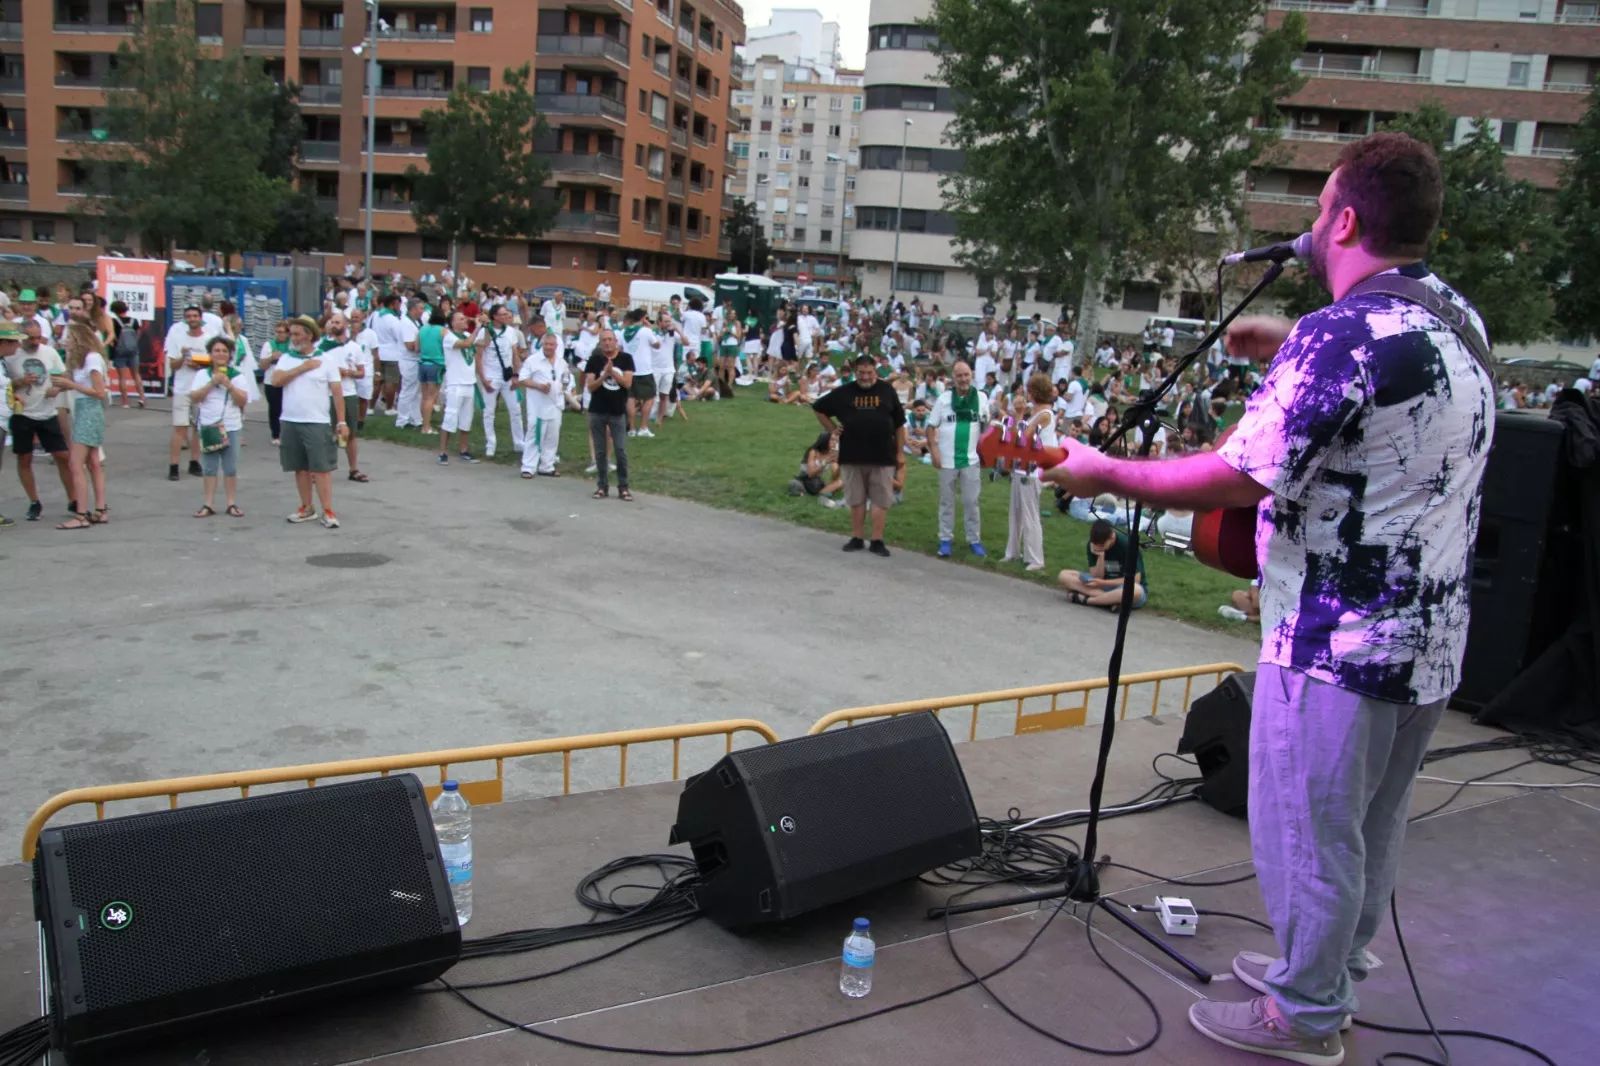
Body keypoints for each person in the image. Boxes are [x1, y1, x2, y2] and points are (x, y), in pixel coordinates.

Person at [1044, 133, 1493, 1066]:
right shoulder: (1455, 317)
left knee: (1307, 833)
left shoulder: (1342, 334)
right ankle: (1330, 970)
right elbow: (1389, 379)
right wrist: (1290, 341)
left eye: (1319, 209)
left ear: (1345, 220)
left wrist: (1106, 472)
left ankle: (1305, 1017)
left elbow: (1236, 476)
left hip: (1336, 643)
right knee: (1370, 825)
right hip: (1430, 644)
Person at [812, 353, 905, 557]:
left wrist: (900, 452)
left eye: (869, 373)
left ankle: (877, 540)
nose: (865, 377)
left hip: (883, 455)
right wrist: (833, 429)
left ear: (875, 371)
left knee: (881, 499)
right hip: (852, 454)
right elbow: (818, 408)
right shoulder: (844, 392)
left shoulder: (887, 390)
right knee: (856, 499)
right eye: (861, 373)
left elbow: (899, 424)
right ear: (855, 372)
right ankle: (857, 537)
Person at [270, 315, 346, 528]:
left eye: (296, 334)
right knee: (300, 467)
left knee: (321, 468)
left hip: (317, 421)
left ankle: (328, 510)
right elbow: (276, 381)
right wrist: (303, 367)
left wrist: (341, 423)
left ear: (309, 335)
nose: (292, 338)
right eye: (291, 334)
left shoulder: (327, 360)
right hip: (290, 420)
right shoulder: (287, 358)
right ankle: (306, 507)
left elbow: (337, 393)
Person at [927, 359, 991, 558]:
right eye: (959, 376)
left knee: (971, 501)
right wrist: (934, 451)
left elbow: (986, 427)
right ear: (952, 378)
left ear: (971, 375)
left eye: (966, 375)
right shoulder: (944, 399)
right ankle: (945, 538)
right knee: (947, 501)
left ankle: (974, 539)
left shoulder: (981, 398)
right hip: (947, 460)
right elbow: (931, 427)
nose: (963, 379)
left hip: (970, 460)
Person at [52, 324, 109, 530]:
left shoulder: (93, 358)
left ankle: (81, 514)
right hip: (85, 409)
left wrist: (71, 386)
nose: (66, 341)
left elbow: (99, 391)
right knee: (93, 461)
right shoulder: (80, 360)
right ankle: (100, 509)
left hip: (89, 410)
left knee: (76, 464)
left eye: (69, 338)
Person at [188, 336, 249, 518]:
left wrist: (229, 385)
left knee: (230, 467)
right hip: (208, 426)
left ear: (229, 355)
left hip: (231, 425)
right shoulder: (202, 375)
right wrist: (212, 383)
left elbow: (242, 400)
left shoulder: (237, 376)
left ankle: (231, 503)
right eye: (216, 351)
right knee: (209, 467)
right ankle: (209, 503)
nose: (220, 354)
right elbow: (195, 397)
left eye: (224, 351)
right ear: (210, 354)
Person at [1003, 374, 1058, 571]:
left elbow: (1023, 437)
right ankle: (1012, 552)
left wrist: (1019, 414)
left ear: (1035, 392)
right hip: (1021, 467)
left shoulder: (1045, 415)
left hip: (1033, 471)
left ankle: (1036, 558)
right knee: (1016, 512)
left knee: (1030, 514)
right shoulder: (1036, 414)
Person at [162, 306, 212, 481]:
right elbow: (173, 365)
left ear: (200, 318)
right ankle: (174, 465)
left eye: (194, 316)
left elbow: (213, 364)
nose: (192, 319)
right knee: (180, 428)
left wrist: (198, 365)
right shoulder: (177, 337)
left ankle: (194, 461)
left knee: (198, 428)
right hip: (182, 388)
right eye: (188, 316)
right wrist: (183, 358)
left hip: (200, 388)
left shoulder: (208, 339)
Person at [584, 326, 634, 500]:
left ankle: (623, 487)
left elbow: (627, 383)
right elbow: (590, 387)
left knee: (620, 450)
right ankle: (602, 486)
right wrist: (604, 375)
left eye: (609, 339)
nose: (607, 343)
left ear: (615, 342)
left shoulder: (626, 359)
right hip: (597, 410)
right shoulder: (594, 360)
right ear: (600, 343)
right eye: (603, 340)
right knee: (600, 451)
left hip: (617, 411)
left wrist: (612, 371)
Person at [320, 312, 369, 481]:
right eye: (332, 321)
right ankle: (320, 469)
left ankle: (353, 469)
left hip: (349, 393)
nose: (334, 325)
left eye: (337, 322)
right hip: (328, 394)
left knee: (351, 433)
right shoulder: (324, 346)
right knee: (326, 433)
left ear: (345, 325)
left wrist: (352, 372)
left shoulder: (354, 347)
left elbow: (362, 372)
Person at [1057, 518, 1147, 609]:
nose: (1097, 547)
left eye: (1101, 545)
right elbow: (1096, 576)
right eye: (1095, 544)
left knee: (1135, 590)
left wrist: (1103, 582)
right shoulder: (1093, 544)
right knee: (1064, 575)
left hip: (1122, 586)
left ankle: (1088, 600)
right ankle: (1110, 600)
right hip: (1101, 585)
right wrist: (1100, 556)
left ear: (1111, 537)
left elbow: (1135, 580)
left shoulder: (1128, 545)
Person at [476, 303, 527, 458]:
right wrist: (483, 379)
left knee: (516, 410)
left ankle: (519, 443)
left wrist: (516, 375)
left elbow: (514, 355)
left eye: (507, 314)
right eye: (503, 314)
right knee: (489, 412)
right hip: (491, 375)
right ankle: (491, 443)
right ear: (495, 316)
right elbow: (478, 357)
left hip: (507, 376)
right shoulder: (484, 332)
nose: (506, 316)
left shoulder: (511, 332)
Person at [519, 331, 570, 478]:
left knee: (552, 435)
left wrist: (564, 386)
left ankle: (547, 466)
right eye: (546, 344)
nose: (548, 347)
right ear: (542, 344)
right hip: (538, 405)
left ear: (556, 346)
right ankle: (528, 467)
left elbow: (565, 378)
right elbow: (523, 379)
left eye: (551, 344)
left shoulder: (561, 362)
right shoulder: (532, 360)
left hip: (555, 404)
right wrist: (538, 385)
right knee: (535, 434)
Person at [437, 310, 480, 465]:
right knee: (450, 418)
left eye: (464, 318)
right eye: (461, 319)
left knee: (466, 420)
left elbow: (484, 342)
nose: (465, 321)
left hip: (469, 382)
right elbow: (466, 344)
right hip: (455, 384)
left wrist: (485, 328)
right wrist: (477, 328)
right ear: (453, 323)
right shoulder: (449, 337)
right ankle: (442, 452)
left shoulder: (468, 334)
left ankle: (464, 450)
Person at [621, 308, 661, 438]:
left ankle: (631, 429)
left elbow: (621, 348)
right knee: (649, 398)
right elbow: (657, 345)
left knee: (630, 399)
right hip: (644, 370)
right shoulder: (646, 331)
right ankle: (643, 427)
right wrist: (650, 328)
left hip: (628, 369)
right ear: (643, 318)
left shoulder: (623, 331)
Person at [372, 293, 406, 416]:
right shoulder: (393, 320)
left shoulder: (376, 316)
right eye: (398, 304)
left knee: (378, 381)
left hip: (378, 352)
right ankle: (389, 407)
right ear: (393, 304)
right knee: (391, 381)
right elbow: (399, 337)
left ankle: (371, 407)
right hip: (392, 354)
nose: (399, 307)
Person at [107, 300, 144, 409]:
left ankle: (125, 402)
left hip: (120, 351)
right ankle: (142, 398)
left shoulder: (113, 321)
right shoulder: (134, 321)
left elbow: (111, 336)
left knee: (122, 377)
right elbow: (138, 334)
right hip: (133, 351)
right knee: (136, 375)